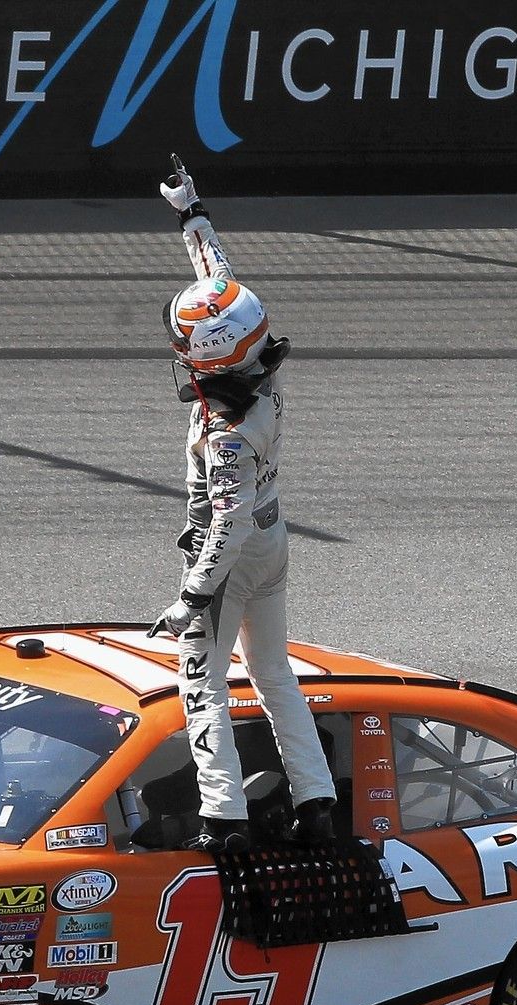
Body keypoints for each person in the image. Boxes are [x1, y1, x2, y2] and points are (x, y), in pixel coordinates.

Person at [146, 156, 338, 854]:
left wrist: (192, 597)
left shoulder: (226, 436)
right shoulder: (256, 358)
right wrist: (190, 211)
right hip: (275, 537)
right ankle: (317, 800)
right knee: (273, 670)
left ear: (213, 361)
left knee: (200, 678)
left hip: (231, 549)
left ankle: (221, 819)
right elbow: (216, 284)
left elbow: (223, 523)